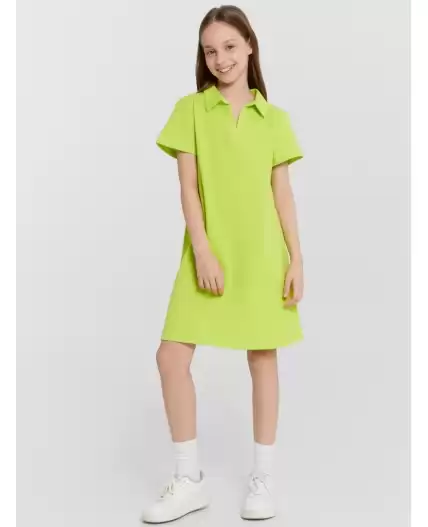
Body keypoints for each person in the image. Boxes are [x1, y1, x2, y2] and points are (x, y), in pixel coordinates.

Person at [141, 4, 305, 524]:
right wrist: (204, 250)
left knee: (262, 357)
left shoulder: (274, 120)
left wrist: (296, 258)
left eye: (230, 47)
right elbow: (188, 190)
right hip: (206, 254)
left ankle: (263, 478)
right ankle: (188, 480)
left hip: (262, 254)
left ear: (250, 46)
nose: (221, 59)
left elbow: (282, 195)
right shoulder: (190, 110)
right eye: (210, 51)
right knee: (171, 357)